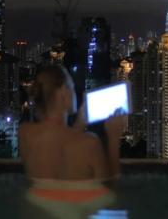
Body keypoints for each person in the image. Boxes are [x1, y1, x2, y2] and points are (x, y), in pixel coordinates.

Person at [19, 65, 127, 218]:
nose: (75, 92)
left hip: (39, 204)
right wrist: (113, 136)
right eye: (71, 86)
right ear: (63, 91)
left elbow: (59, 147)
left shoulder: (25, 133)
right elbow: (111, 184)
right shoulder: (89, 143)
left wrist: (78, 125)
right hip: (84, 210)